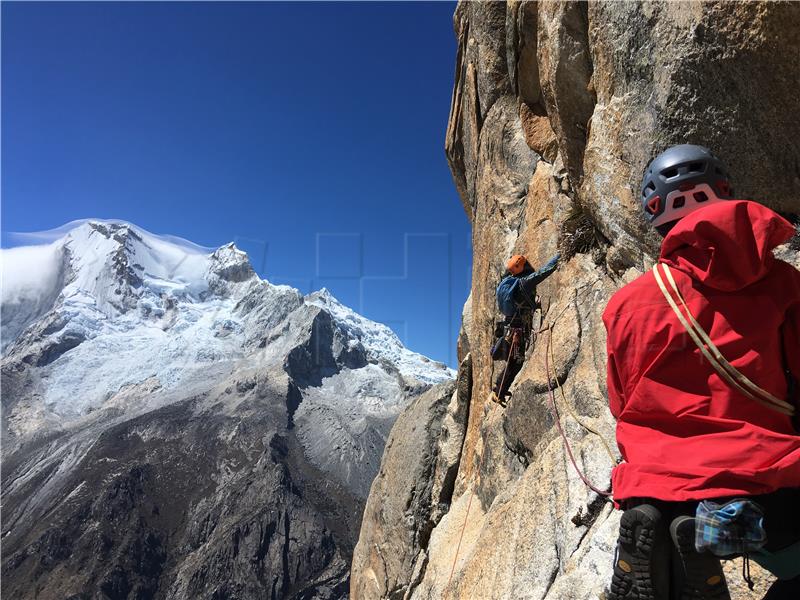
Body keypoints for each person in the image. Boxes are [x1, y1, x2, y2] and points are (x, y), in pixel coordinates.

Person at [603, 144, 800, 600]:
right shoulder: (785, 284)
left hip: (653, 481)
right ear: (723, 192)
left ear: (656, 213)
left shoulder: (626, 304)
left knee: (660, 514)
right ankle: (714, 532)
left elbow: (620, 402)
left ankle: (667, 533)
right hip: (764, 477)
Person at [490, 253, 559, 405]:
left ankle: (499, 387)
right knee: (516, 362)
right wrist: (560, 256)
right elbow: (544, 272)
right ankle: (499, 392)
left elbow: (519, 302)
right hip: (517, 332)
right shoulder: (524, 282)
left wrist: (533, 304)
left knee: (512, 361)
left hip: (509, 328)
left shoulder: (507, 282)